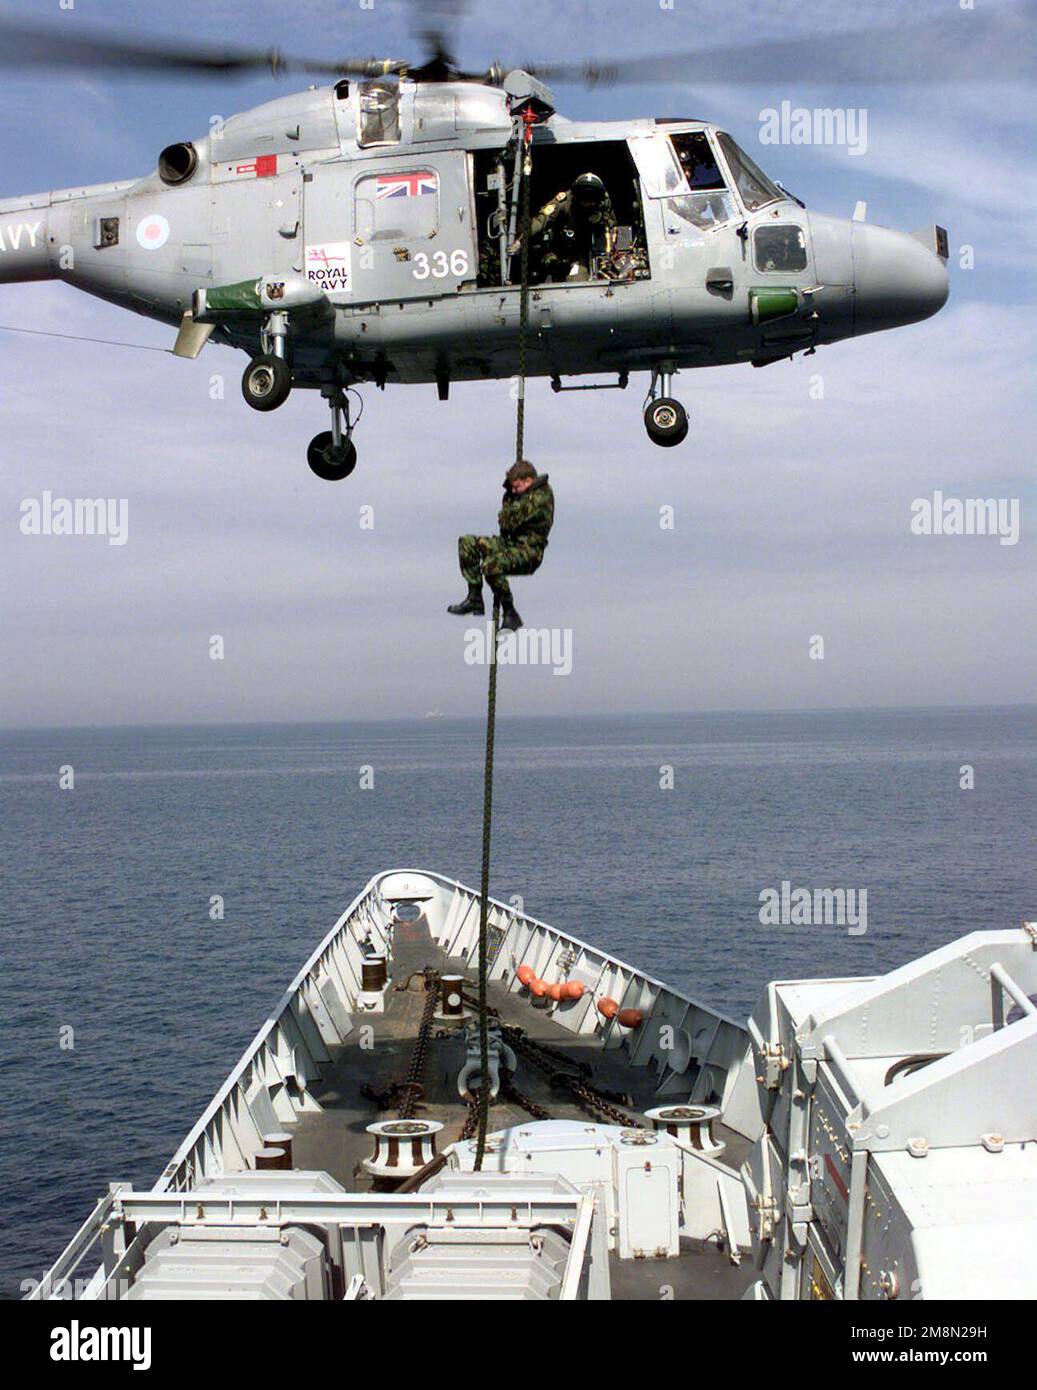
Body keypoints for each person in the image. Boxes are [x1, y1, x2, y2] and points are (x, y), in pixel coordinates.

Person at [447, 460, 555, 632]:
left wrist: (510, 505)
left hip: (529, 551)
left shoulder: (541, 497)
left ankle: (510, 612)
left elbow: (508, 524)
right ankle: (475, 597)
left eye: (517, 487)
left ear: (528, 481)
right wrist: (512, 499)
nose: (513, 491)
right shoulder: (520, 497)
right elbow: (505, 523)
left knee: (491, 566)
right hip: (511, 544)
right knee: (467, 543)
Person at [524, 172, 617, 282]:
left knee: (578, 278)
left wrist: (608, 256)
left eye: (592, 199)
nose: (588, 203)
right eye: (585, 199)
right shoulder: (564, 202)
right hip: (561, 247)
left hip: (585, 249)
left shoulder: (604, 204)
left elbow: (611, 227)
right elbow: (540, 220)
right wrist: (521, 239)